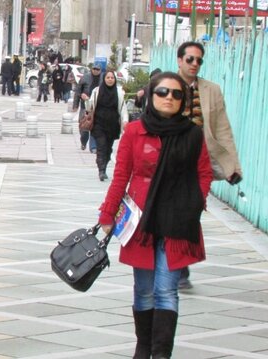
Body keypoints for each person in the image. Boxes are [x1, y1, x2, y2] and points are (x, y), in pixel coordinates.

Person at [99, 72, 213, 358]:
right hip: (141, 221)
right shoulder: (135, 131)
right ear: (151, 95)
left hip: (179, 220)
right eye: (163, 92)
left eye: (176, 94)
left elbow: (204, 173)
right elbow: (122, 175)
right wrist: (107, 213)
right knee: (144, 289)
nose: (169, 98)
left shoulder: (192, 133)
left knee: (166, 290)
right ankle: (143, 345)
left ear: (183, 100)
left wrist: (194, 203)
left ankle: (161, 353)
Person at [175, 41, 243, 290]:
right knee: (170, 211)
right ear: (179, 60)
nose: (194, 64)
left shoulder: (212, 90)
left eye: (199, 60)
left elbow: (223, 129)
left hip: (198, 162)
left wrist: (232, 166)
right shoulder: (167, 85)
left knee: (191, 211)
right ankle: (176, 265)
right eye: (190, 59)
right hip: (170, 161)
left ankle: (181, 264)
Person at [84, 70, 129, 181]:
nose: (110, 79)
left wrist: (125, 121)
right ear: (104, 79)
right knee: (101, 146)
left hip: (112, 125)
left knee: (108, 149)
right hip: (99, 124)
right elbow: (90, 108)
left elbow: (123, 109)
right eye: (107, 77)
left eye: (112, 78)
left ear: (115, 80)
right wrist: (86, 101)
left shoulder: (119, 93)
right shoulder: (97, 91)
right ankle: (101, 170)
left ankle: (104, 164)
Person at [73, 65, 102, 153]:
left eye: (98, 69)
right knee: (84, 127)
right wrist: (75, 104)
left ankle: (93, 147)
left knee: (95, 127)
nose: (96, 71)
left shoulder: (103, 79)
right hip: (84, 105)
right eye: (94, 69)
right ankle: (83, 141)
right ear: (91, 69)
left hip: (97, 106)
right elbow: (78, 91)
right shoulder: (85, 78)